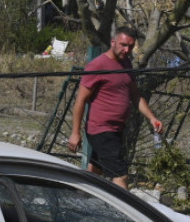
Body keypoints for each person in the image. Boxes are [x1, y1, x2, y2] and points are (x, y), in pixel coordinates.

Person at [67, 26, 163, 189]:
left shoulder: (126, 63)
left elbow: (135, 96)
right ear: (113, 42)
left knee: (95, 169)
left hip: (117, 129)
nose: (127, 50)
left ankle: (80, 199)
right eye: (123, 45)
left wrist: (152, 118)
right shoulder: (97, 65)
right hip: (101, 130)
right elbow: (80, 100)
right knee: (120, 175)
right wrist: (75, 132)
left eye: (130, 46)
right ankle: (127, 214)